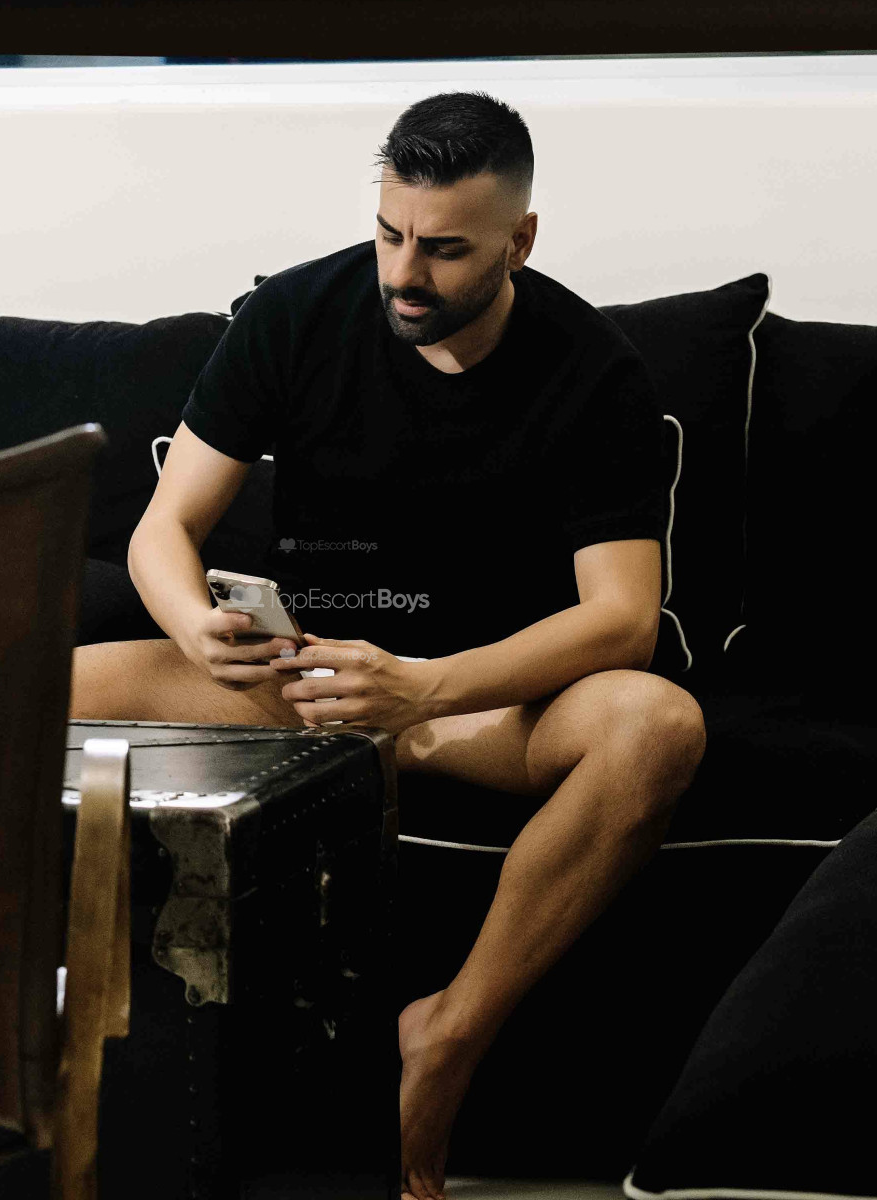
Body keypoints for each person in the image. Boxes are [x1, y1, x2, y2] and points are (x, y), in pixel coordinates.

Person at [70, 91, 706, 1200]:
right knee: (29, 695)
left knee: (654, 726)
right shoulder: (295, 314)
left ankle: (444, 1040)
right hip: (304, 687)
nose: (405, 274)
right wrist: (195, 630)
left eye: (444, 250)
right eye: (389, 234)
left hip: (484, 706)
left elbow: (621, 619)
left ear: (519, 241)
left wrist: (423, 687)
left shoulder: (591, 369)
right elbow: (162, 529)